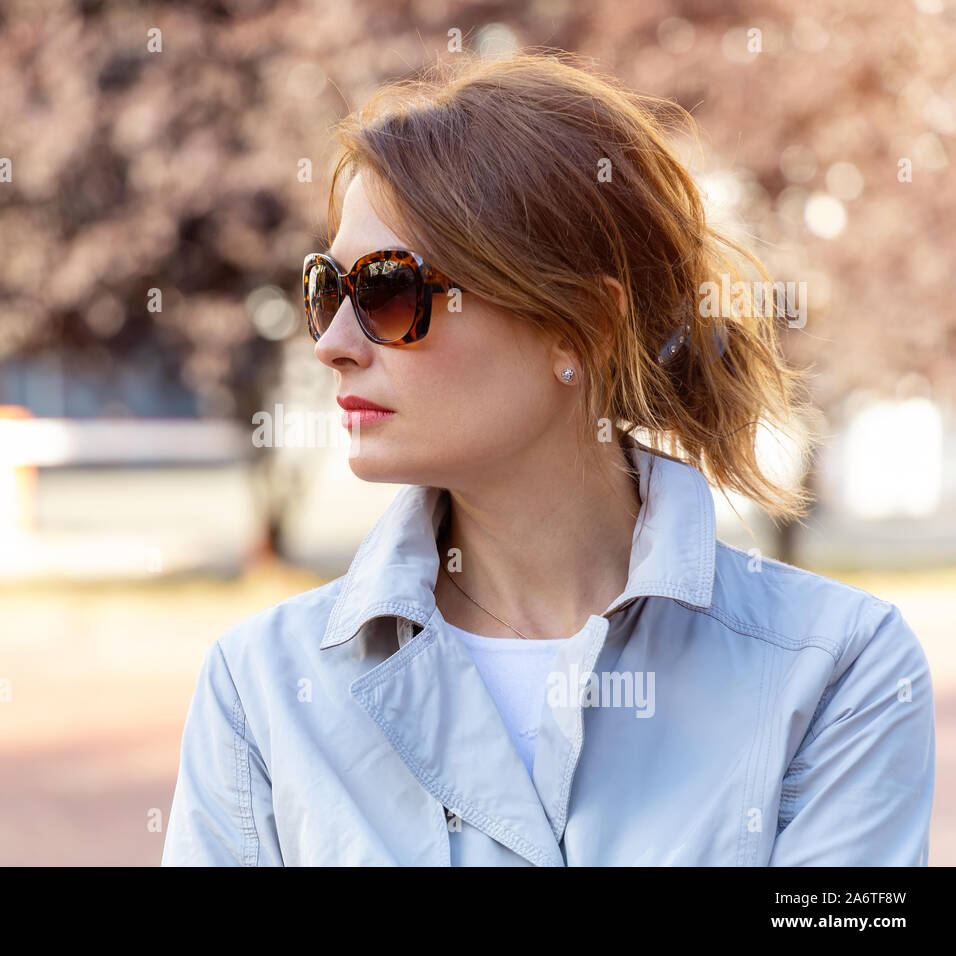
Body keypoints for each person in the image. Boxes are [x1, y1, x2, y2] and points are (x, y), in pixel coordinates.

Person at [160, 52, 935, 866]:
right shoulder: (263, 689)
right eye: (328, 289)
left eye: (389, 292)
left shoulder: (838, 670)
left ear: (585, 327)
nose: (331, 343)